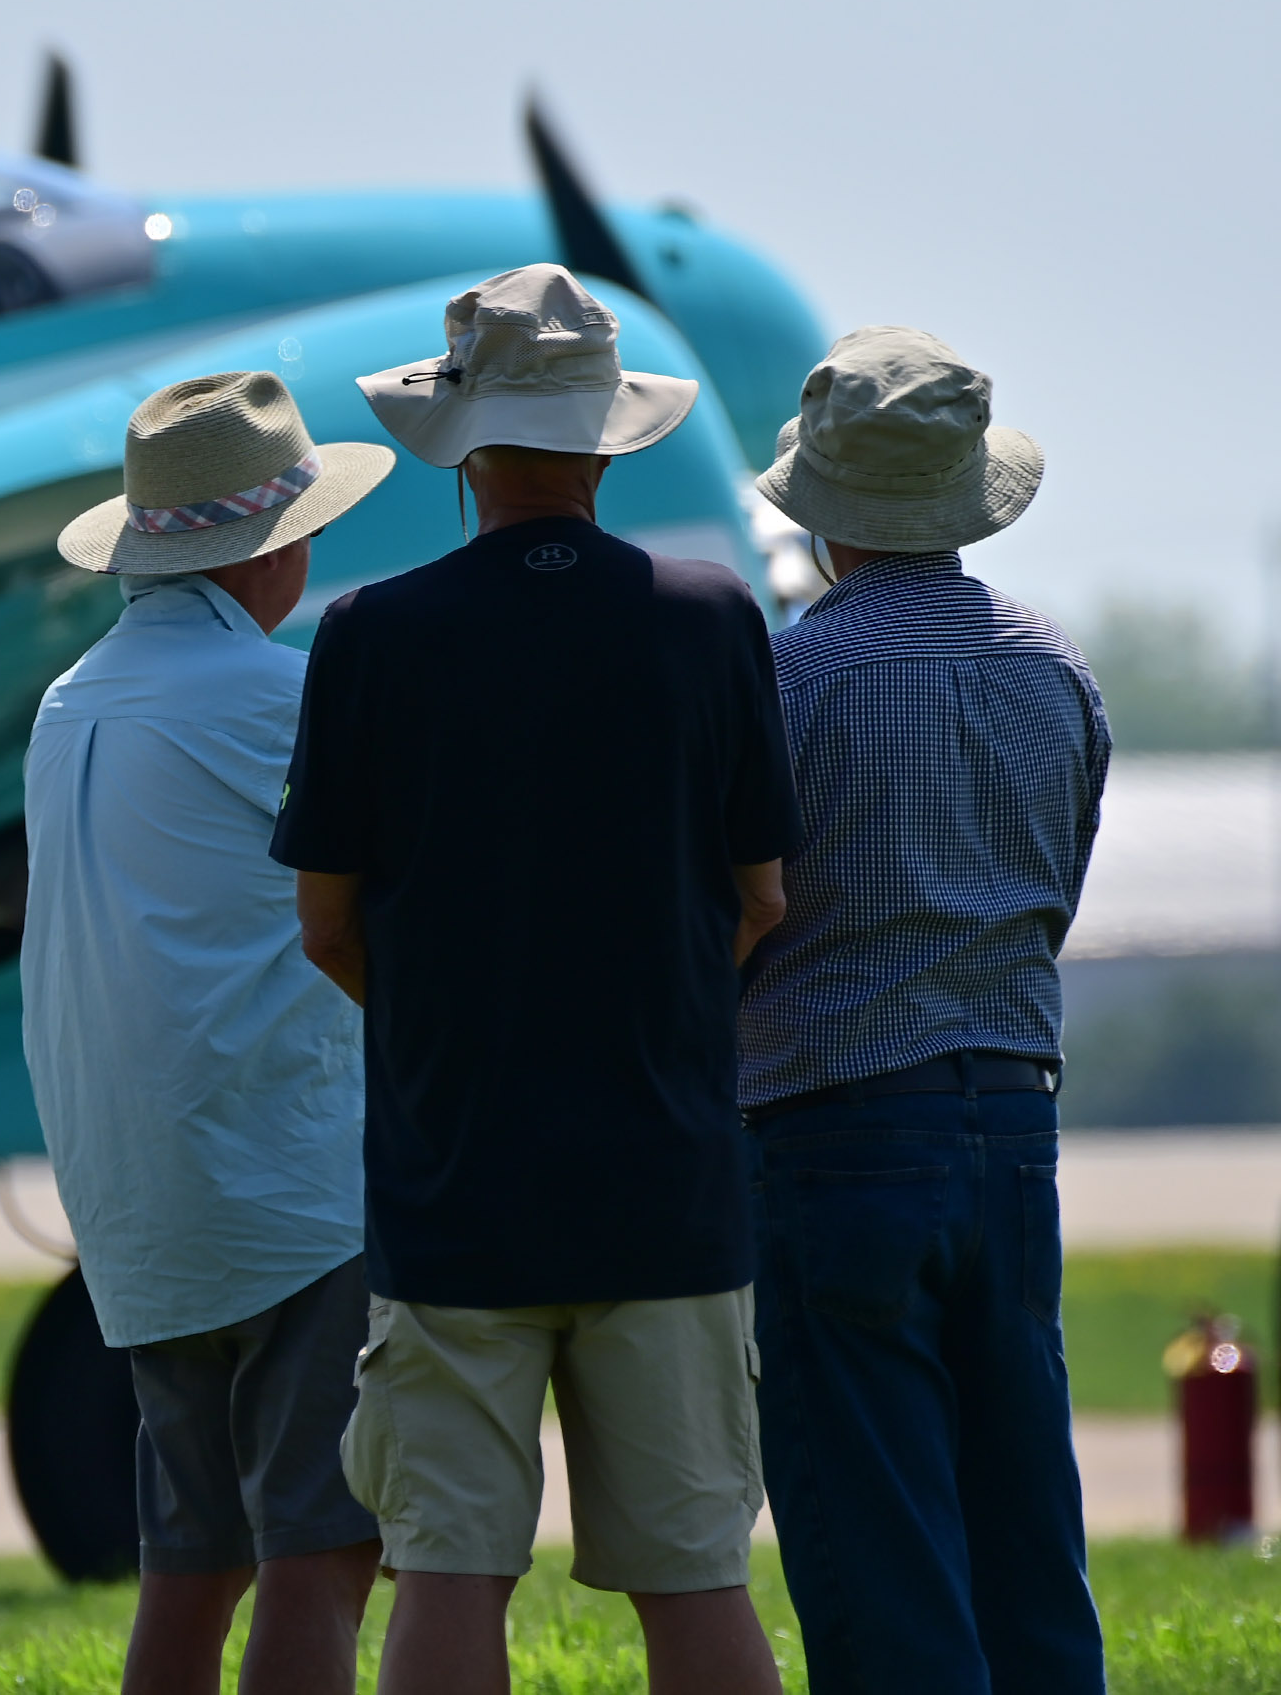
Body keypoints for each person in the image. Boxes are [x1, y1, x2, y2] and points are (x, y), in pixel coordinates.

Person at [275, 265, 799, 1695]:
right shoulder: (708, 620)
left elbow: (327, 923)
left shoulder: (372, 633)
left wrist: (460, 1020)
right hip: (667, 1179)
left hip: (458, 1186)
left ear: (463, 440)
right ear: (606, 434)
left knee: (450, 1571)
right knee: (696, 1581)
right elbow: (763, 900)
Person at [737, 328, 1109, 1693]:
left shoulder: (793, 678)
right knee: (1027, 1533)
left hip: (834, 1123)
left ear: (827, 513)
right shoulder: (1053, 668)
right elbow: (1052, 896)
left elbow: (747, 902)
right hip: (1014, 1120)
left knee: (877, 1543)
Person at [20, 369, 396, 1695]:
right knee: (323, 1551)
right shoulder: (272, 694)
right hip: (284, 1184)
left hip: (138, 1198)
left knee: (192, 1560)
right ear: (273, 548)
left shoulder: (70, 700)